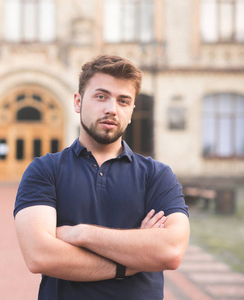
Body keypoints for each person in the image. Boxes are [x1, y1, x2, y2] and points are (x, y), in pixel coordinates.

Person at [14, 55, 190, 299]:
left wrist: (80, 234)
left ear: (131, 110)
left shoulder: (157, 175)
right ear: (78, 102)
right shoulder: (45, 170)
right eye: (101, 96)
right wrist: (132, 260)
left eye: (123, 101)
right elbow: (39, 255)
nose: (112, 109)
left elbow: (170, 251)